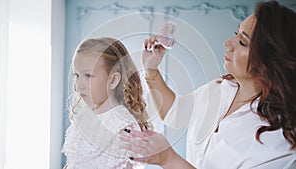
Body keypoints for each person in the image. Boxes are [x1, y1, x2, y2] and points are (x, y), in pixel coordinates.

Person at [121, 1, 296, 168]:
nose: (227, 43)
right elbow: (174, 113)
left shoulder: (281, 139)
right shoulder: (221, 88)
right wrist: (151, 69)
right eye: (236, 33)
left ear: (272, 60)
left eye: (243, 41)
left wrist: (169, 159)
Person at [62, 37, 152, 169]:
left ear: (113, 80)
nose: (79, 85)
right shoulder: (85, 117)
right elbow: (74, 162)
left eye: (88, 76)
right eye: (77, 75)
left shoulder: (123, 126)